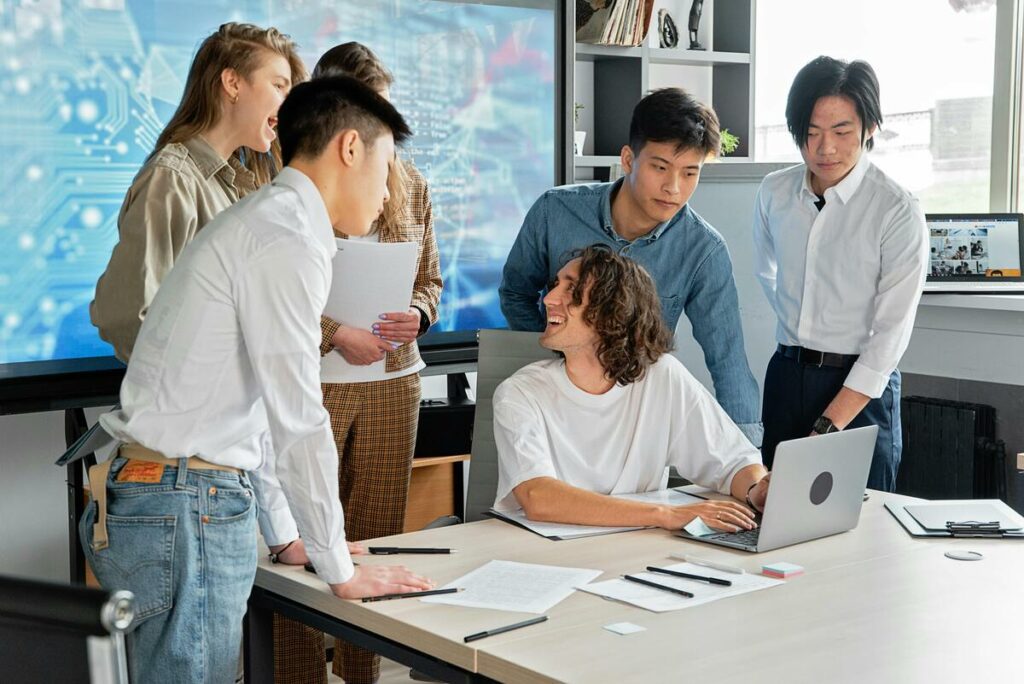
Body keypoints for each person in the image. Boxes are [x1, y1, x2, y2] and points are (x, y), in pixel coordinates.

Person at [79, 76, 433, 684]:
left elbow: (262, 412)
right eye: (385, 166)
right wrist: (337, 569)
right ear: (350, 148)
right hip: (185, 502)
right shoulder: (287, 237)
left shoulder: (272, 222)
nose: (386, 193)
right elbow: (298, 416)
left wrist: (292, 537)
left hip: (177, 493)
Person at [269, 42, 443, 684]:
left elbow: (431, 280)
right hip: (316, 383)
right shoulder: (288, 189)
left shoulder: (413, 182)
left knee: (376, 538)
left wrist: (418, 317)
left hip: (394, 383)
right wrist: (334, 332)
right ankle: (297, 674)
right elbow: (273, 304)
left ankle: (362, 674)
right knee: (304, 546)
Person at [500, 87, 762, 446]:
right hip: (552, 406)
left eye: (690, 173)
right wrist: (556, 361)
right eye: (660, 167)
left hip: (638, 416)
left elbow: (727, 358)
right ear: (628, 159)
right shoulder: (555, 211)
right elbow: (516, 293)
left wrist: (749, 459)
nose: (674, 188)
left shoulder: (704, 250)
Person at [494, 245, 769, 531]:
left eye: (571, 289)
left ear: (611, 310)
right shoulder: (519, 393)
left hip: (637, 546)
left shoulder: (662, 376)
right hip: (544, 552)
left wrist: (756, 490)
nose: (549, 298)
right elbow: (539, 498)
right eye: (555, 285)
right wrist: (665, 514)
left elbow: (732, 461)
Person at [753, 56, 928, 492]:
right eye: (810, 133)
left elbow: (890, 335)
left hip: (859, 390)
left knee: (863, 533)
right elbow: (767, 272)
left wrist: (830, 426)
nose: (824, 148)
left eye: (841, 132)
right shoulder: (774, 192)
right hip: (786, 376)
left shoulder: (896, 209)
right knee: (775, 517)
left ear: (869, 128)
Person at [90, 23, 307, 363]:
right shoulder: (172, 178)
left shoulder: (239, 183)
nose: (288, 102)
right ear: (232, 83)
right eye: (279, 86)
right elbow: (128, 317)